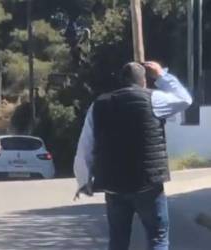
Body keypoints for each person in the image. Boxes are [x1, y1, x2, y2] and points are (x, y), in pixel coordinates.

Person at [74, 61, 192, 250]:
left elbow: (85, 145)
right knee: (158, 238)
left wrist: (83, 180)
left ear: (121, 81)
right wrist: (161, 75)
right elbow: (185, 100)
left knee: (118, 241)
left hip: (114, 186)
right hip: (148, 184)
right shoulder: (155, 99)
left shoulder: (99, 104)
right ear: (144, 81)